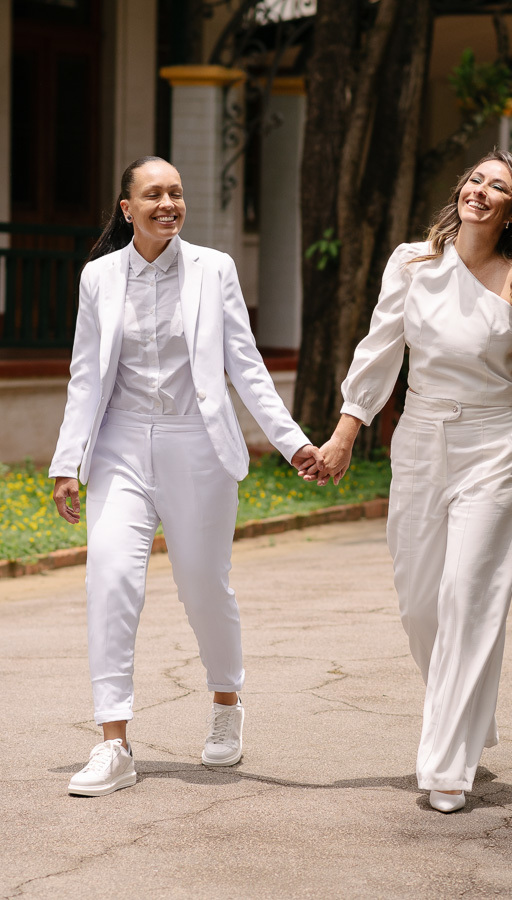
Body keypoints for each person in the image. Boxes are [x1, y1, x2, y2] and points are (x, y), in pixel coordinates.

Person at [307, 149, 512, 813]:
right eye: (475, 179)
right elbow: (379, 350)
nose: (481, 191)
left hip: (494, 445)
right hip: (422, 439)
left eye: (498, 187)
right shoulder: (412, 263)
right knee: (420, 601)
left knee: (467, 595)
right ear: (461, 190)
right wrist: (345, 432)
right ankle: (468, 719)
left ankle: (447, 765)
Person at [50, 155, 322, 797]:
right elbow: (87, 374)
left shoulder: (213, 270)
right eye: (153, 195)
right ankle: (113, 743)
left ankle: (226, 704)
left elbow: (246, 366)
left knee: (204, 587)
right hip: (119, 442)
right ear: (127, 209)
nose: (167, 204)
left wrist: (293, 444)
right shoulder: (98, 277)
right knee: (110, 581)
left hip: (197, 445)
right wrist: (69, 462)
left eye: (175, 193)